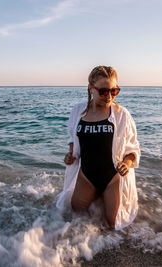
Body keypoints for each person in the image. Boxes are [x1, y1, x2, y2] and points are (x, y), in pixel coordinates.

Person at [56, 65, 140, 230]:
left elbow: (133, 150)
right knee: (75, 219)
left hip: (112, 177)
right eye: (103, 91)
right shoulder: (78, 111)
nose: (109, 96)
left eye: (114, 91)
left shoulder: (122, 115)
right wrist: (70, 155)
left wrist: (127, 164)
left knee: (112, 226)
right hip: (86, 175)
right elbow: (73, 138)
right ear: (90, 88)